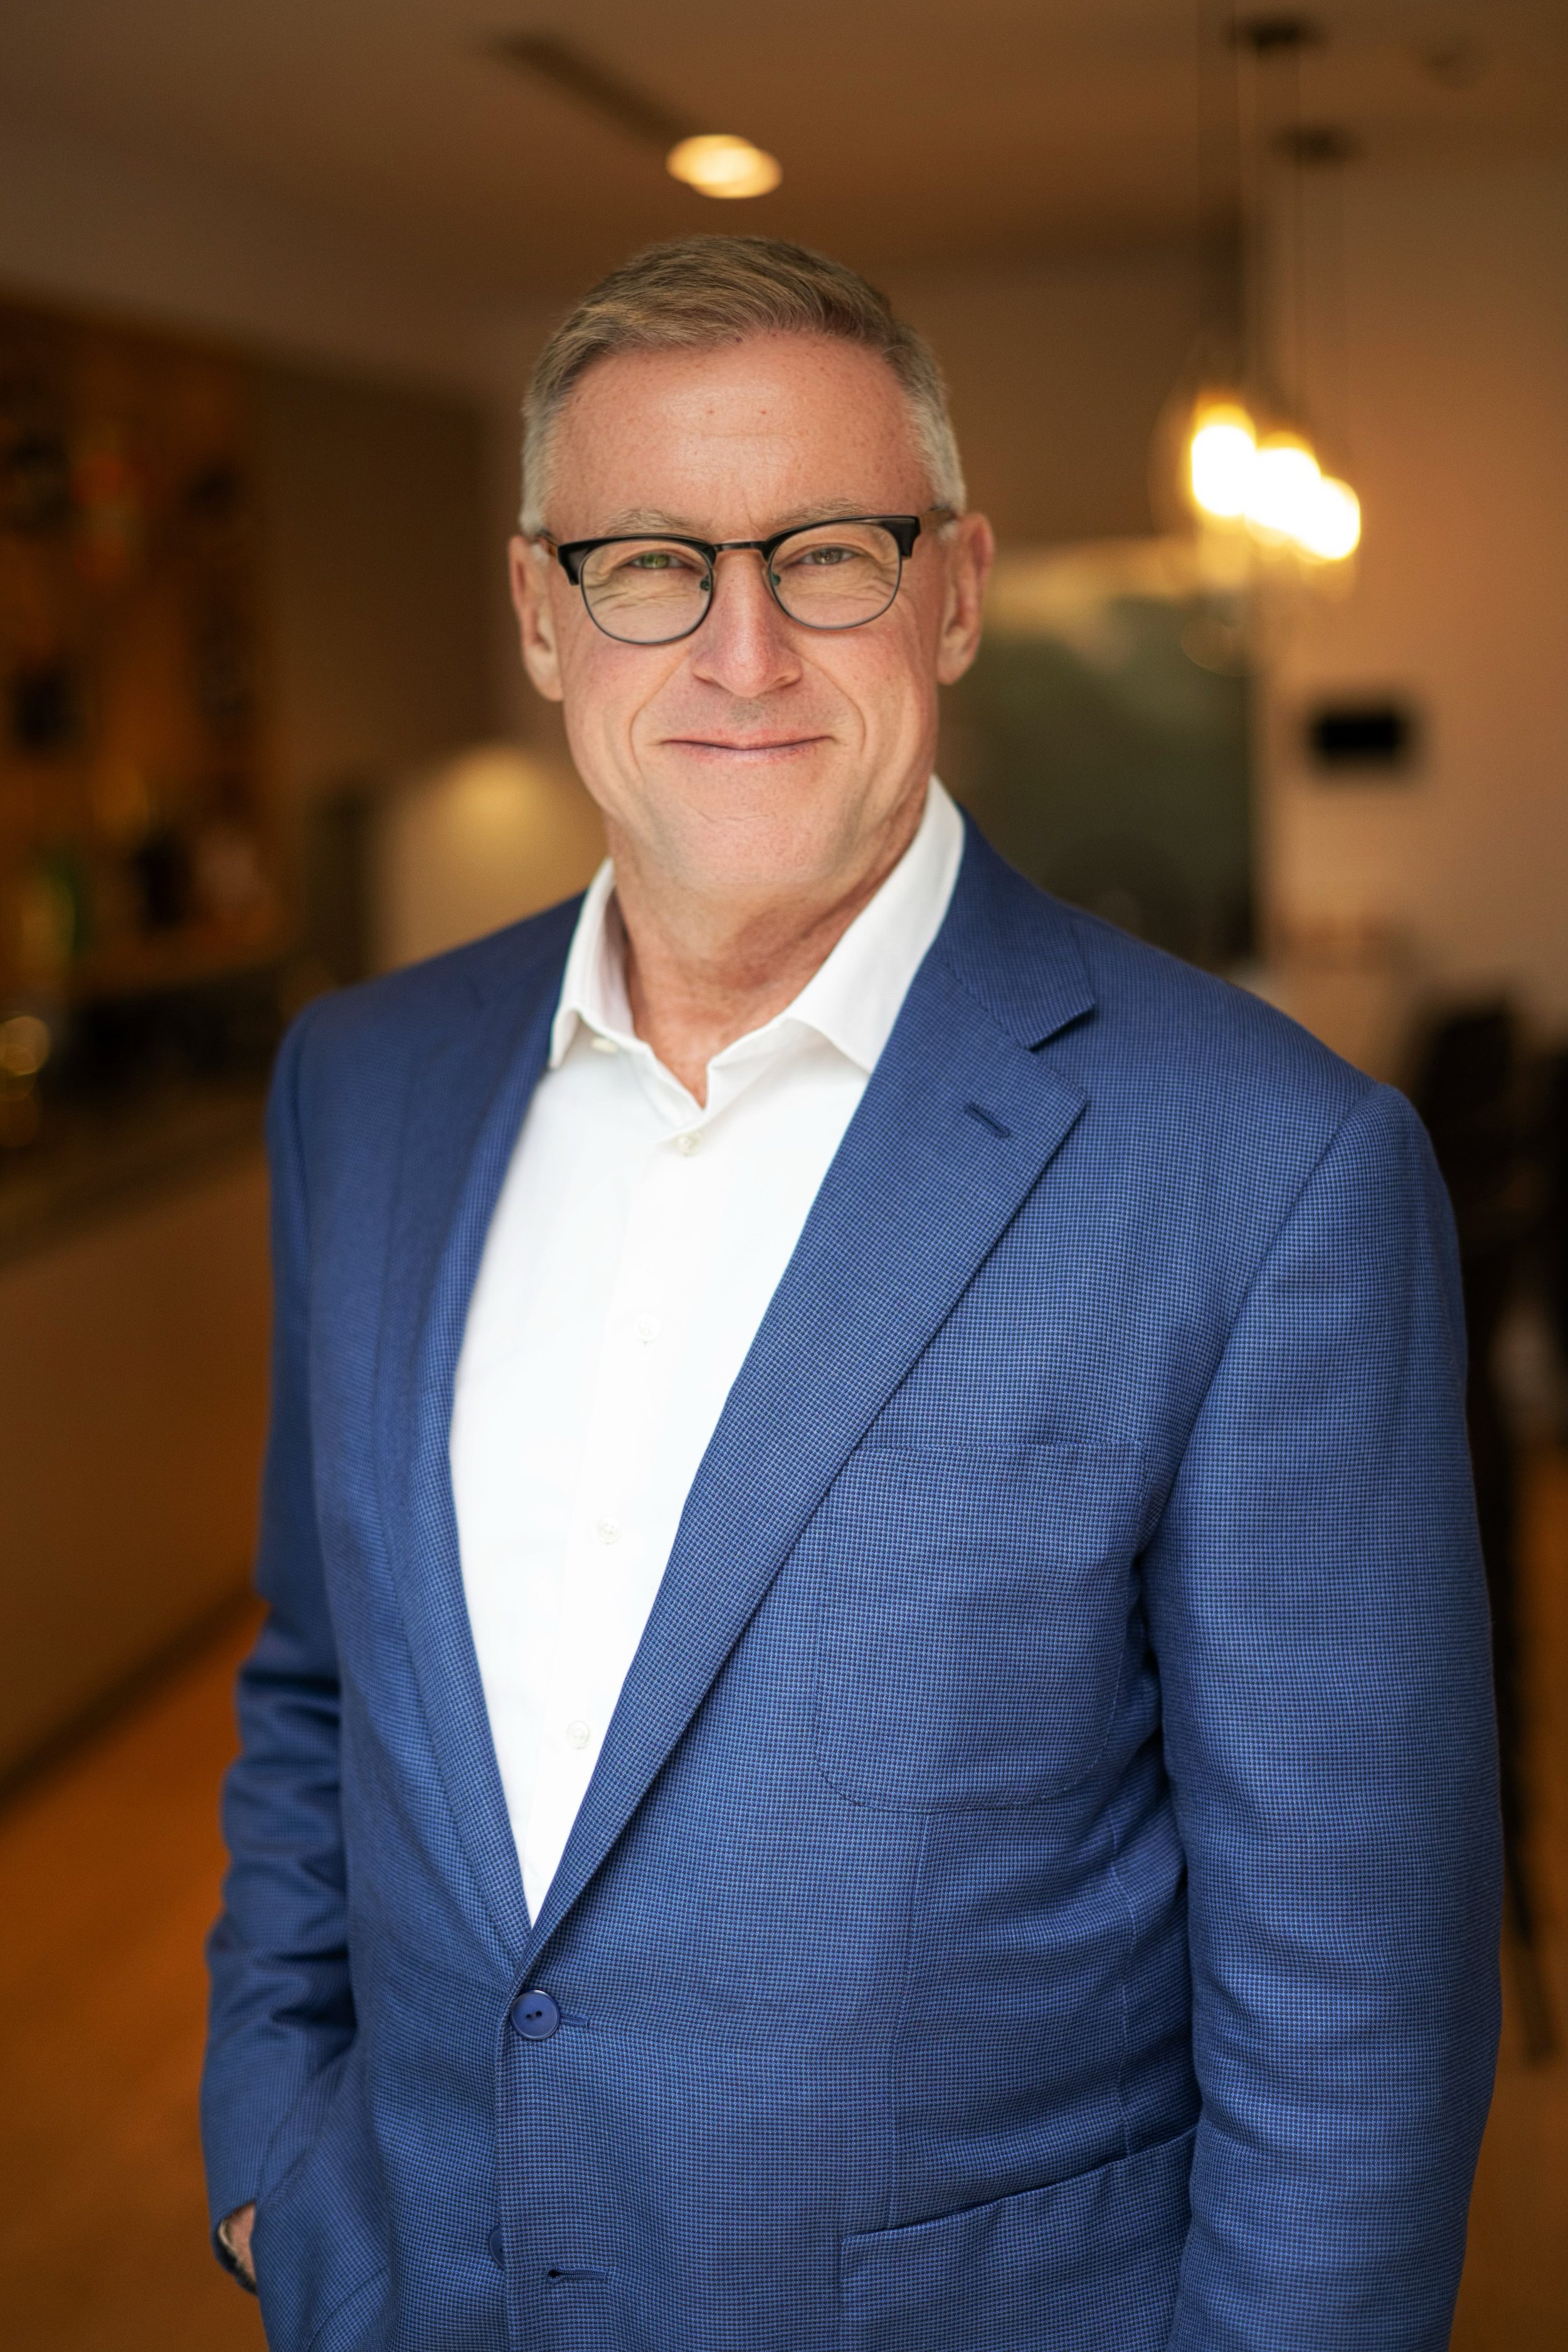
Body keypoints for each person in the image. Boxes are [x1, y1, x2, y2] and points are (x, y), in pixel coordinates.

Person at [203, 236, 1500, 2352]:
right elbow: (319, 1685)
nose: (739, 651)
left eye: (827, 555)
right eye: (646, 563)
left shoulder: (1265, 1171)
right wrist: (274, 2160)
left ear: (957, 591)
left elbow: (1355, 2022)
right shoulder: (362, 1088)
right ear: (539, 610)